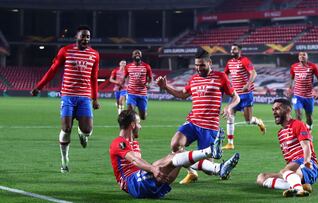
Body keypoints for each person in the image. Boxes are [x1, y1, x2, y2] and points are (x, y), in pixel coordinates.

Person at [156, 49, 240, 184]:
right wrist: (166, 87)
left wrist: (229, 107)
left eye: (202, 65)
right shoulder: (194, 79)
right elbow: (183, 94)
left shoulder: (221, 77)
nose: (198, 68)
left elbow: (236, 97)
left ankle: (216, 168)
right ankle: (194, 172)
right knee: (176, 145)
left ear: (209, 63)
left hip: (209, 126)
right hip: (193, 122)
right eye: (196, 65)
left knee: (207, 168)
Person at [109, 110, 226, 198]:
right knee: (168, 162)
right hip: (132, 183)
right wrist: (153, 169)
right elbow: (134, 160)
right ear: (133, 125)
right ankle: (210, 152)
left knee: (177, 155)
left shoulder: (133, 142)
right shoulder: (119, 143)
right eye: (138, 123)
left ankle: (216, 166)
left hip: (140, 179)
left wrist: (153, 168)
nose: (140, 127)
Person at [30, 25, 100, 173]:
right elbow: (52, 70)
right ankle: (64, 160)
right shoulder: (65, 51)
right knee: (66, 128)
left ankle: (83, 135)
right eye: (83, 36)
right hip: (68, 95)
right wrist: (38, 87)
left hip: (84, 97)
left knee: (87, 129)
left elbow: (94, 77)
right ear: (76, 37)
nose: (85, 39)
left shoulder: (94, 54)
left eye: (88, 37)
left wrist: (95, 98)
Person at [256, 98, 318, 198]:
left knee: (285, 172)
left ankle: (299, 190)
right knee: (261, 178)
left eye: (277, 109)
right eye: (273, 109)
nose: (274, 112)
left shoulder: (298, 124)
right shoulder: (280, 133)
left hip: (307, 166)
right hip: (293, 169)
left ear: (288, 110)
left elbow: (306, 147)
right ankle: (297, 185)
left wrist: (307, 162)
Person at [222, 44, 266, 150]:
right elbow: (224, 75)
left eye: (235, 49)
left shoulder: (244, 60)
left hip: (246, 94)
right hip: (235, 94)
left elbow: (254, 73)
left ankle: (258, 121)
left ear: (240, 50)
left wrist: (247, 84)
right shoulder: (230, 63)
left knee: (248, 120)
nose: (232, 51)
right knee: (230, 116)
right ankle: (230, 143)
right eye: (231, 49)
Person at [288, 52, 318, 131]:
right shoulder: (294, 67)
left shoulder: (312, 67)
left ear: (307, 57)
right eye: (300, 55)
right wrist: (289, 88)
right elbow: (292, 78)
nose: (302, 56)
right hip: (297, 96)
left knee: (309, 118)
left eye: (304, 55)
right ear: (298, 57)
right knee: (298, 115)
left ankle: (309, 129)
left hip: (309, 96)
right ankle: (299, 134)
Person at [124, 50, 152, 120]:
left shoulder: (146, 66)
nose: (137, 54)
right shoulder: (128, 66)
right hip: (131, 93)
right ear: (132, 56)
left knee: (143, 117)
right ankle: (135, 121)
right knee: (130, 113)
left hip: (142, 94)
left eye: (139, 53)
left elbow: (150, 78)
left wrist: (148, 84)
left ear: (141, 56)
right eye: (135, 53)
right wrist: (127, 84)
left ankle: (139, 116)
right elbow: (125, 77)